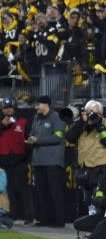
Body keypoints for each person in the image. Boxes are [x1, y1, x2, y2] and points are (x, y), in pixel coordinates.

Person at [64, 100, 106, 216]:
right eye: (90, 112)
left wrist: (100, 127)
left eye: (97, 113)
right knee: (84, 200)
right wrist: (80, 122)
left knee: (100, 199)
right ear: (85, 113)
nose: (93, 115)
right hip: (84, 168)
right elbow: (70, 137)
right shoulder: (81, 124)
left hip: (101, 169)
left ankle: (100, 224)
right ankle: (86, 222)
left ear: (101, 114)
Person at [26, 96, 66, 227]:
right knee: (42, 192)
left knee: (54, 192)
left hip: (53, 161)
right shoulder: (36, 118)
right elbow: (31, 133)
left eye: (38, 104)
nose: (36, 107)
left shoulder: (57, 117)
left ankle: (59, 220)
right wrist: (31, 138)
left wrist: (38, 140)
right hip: (38, 161)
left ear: (46, 105)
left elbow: (58, 137)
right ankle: (45, 219)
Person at [0, 97, 33, 224]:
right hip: (3, 161)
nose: (8, 110)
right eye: (5, 108)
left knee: (23, 189)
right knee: (7, 189)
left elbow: (30, 138)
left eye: (10, 107)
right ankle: (12, 214)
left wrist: (26, 157)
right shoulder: (1, 122)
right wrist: (3, 124)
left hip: (20, 160)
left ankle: (29, 215)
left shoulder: (23, 121)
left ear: (14, 108)